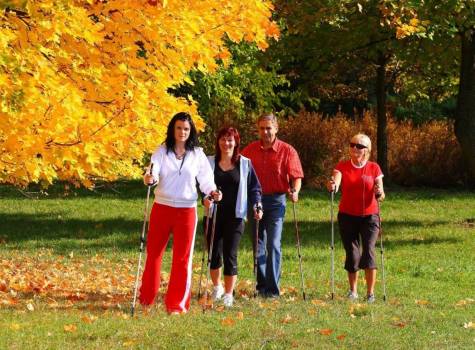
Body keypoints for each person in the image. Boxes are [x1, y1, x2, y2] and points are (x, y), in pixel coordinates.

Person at [139, 112, 222, 314]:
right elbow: (153, 171)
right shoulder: (161, 151)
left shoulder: (197, 154)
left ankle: (176, 304)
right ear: (172, 129)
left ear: (190, 131)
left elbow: (206, 179)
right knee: (153, 255)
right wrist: (149, 178)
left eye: (186, 129)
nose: (182, 132)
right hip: (162, 207)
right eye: (179, 128)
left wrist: (212, 191)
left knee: (182, 258)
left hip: (186, 210)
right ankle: (146, 299)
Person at [241, 113, 304, 298]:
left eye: (269, 128)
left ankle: (273, 290)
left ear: (276, 128)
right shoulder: (250, 150)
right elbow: (239, 171)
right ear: (258, 129)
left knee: (274, 244)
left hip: (277, 201)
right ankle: (262, 286)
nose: (265, 132)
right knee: (258, 244)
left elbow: (296, 176)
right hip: (255, 201)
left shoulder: (287, 150)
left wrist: (295, 191)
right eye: (262, 128)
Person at [203, 127, 263, 307]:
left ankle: (229, 293)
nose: (226, 143)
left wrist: (257, 204)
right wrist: (205, 199)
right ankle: (217, 287)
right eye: (223, 139)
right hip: (213, 215)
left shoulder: (245, 164)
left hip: (235, 216)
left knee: (230, 254)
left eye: (230, 140)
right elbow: (201, 186)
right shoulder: (209, 162)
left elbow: (255, 188)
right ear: (218, 141)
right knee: (214, 254)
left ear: (236, 142)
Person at [326, 133, 385, 303]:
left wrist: (379, 192)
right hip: (347, 216)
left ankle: (370, 293)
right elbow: (336, 181)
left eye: (359, 146)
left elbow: (381, 193)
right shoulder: (342, 166)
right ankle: (353, 291)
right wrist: (332, 186)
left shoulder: (374, 168)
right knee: (352, 253)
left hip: (370, 216)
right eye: (352, 144)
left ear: (368, 150)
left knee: (368, 251)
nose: (354, 148)